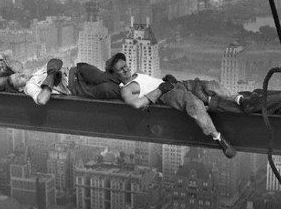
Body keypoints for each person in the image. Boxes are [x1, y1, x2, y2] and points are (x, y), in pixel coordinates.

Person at [104, 53, 259, 159]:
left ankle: (239, 99)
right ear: (114, 74)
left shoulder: (137, 73)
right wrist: (159, 90)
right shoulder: (126, 89)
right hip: (168, 94)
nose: (126, 69)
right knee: (194, 103)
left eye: (125, 65)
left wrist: (164, 80)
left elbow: (151, 81)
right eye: (121, 69)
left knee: (210, 84)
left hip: (176, 84)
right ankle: (218, 138)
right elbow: (137, 105)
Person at [5, 58, 121, 105]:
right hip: (75, 86)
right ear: (20, 88)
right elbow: (42, 100)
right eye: (18, 78)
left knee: (103, 78)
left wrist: (52, 71)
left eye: (19, 74)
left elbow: (56, 61)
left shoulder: (36, 72)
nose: (22, 75)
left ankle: (131, 83)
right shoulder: (29, 87)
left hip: (78, 71)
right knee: (106, 88)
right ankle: (133, 90)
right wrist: (50, 79)